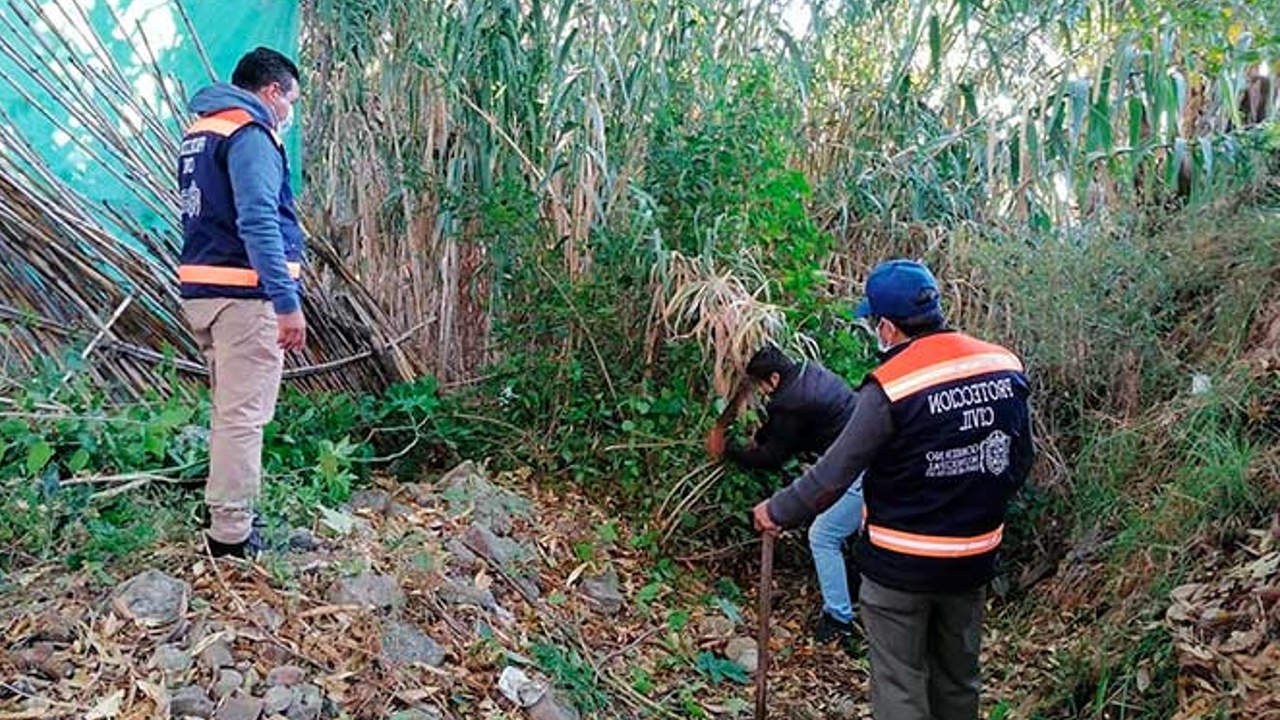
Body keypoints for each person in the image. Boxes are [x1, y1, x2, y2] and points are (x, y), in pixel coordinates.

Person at [752, 259, 1034, 720]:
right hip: (972, 562)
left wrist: (778, 510)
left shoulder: (891, 386)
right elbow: (1021, 460)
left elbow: (834, 473)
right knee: (959, 682)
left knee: (901, 687)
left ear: (887, 326)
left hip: (901, 568)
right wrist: (974, 512)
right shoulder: (1002, 365)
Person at [178, 47, 306, 559]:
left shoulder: (203, 131)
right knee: (243, 416)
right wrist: (286, 300)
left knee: (230, 411)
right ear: (272, 91)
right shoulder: (250, 135)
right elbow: (258, 222)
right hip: (242, 296)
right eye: (291, 99)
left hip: (206, 291)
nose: (290, 112)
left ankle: (230, 513)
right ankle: (231, 536)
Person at [707, 345, 865, 648]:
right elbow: (788, 433)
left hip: (860, 465)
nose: (764, 394)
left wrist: (727, 450)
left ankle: (839, 621)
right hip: (867, 453)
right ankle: (855, 588)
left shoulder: (791, 401)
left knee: (823, 535)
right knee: (848, 529)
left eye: (763, 387)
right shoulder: (808, 373)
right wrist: (762, 438)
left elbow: (772, 457)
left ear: (775, 378)